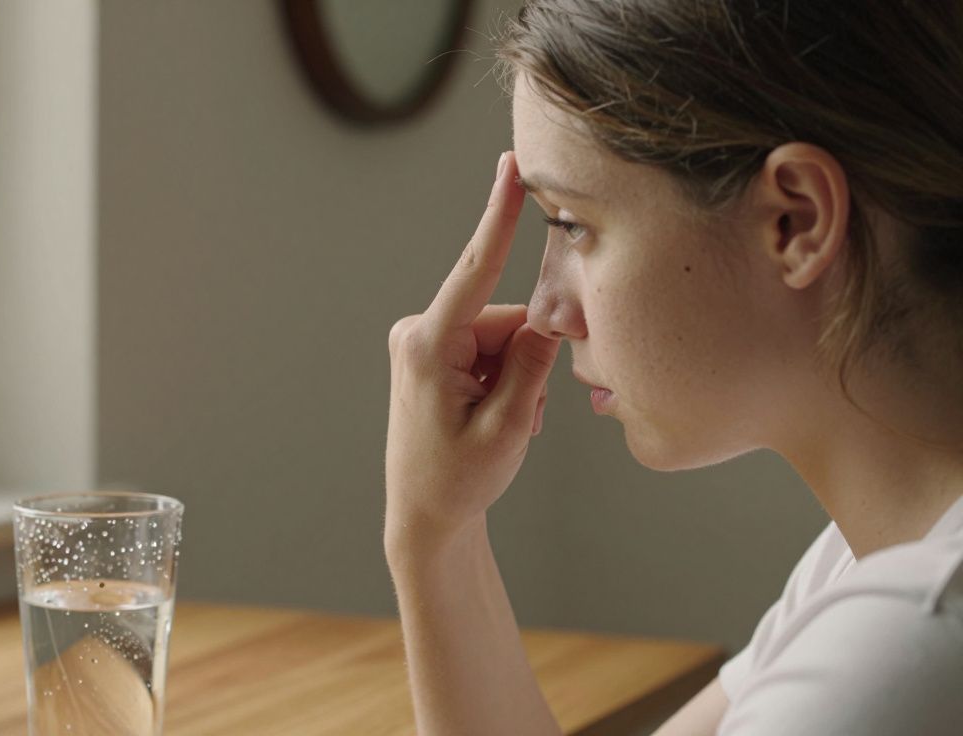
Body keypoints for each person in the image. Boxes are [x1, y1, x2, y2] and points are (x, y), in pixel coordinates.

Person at [384, 1, 963, 733]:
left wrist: (424, 532)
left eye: (572, 224)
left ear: (797, 221)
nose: (546, 310)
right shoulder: (873, 566)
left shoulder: (910, 642)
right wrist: (439, 533)